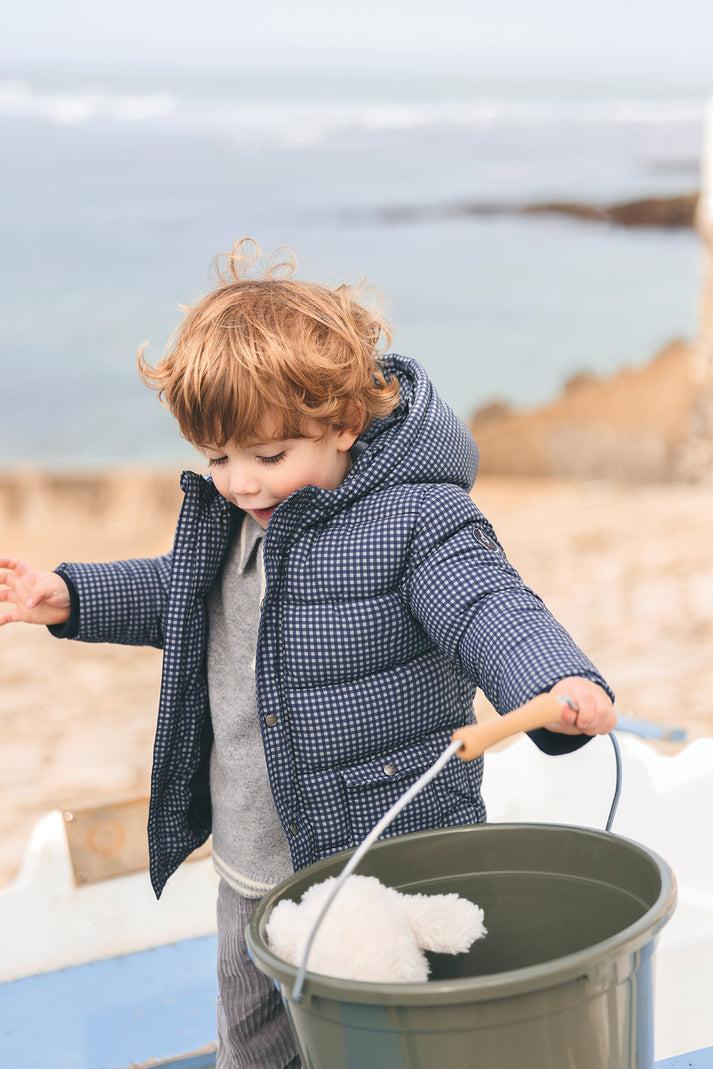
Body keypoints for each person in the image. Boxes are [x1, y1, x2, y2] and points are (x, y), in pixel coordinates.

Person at [0, 237, 616, 1069]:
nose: (241, 483)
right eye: (217, 458)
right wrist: (68, 596)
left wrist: (554, 681)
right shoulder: (233, 523)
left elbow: (486, 606)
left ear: (343, 424)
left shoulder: (416, 521)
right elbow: (180, 593)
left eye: (268, 456)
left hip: (380, 863)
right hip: (252, 864)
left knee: (392, 1042)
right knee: (253, 1041)